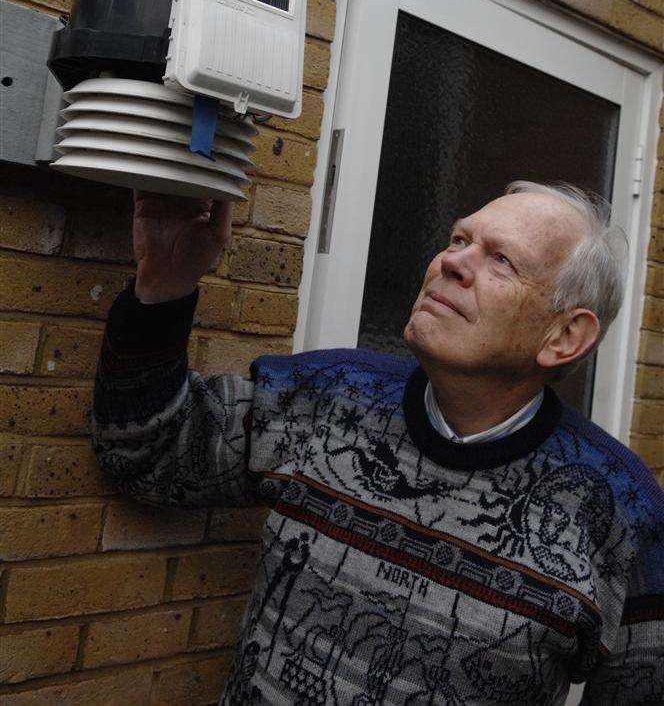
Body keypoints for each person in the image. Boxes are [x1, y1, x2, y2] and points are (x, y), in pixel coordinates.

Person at [93, 181, 663, 705]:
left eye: (501, 260)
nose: (452, 261)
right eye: (459, 239)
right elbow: (147, 450)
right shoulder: (327, 398)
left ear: (565, 336)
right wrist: (164, 284)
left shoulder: (621, 512)